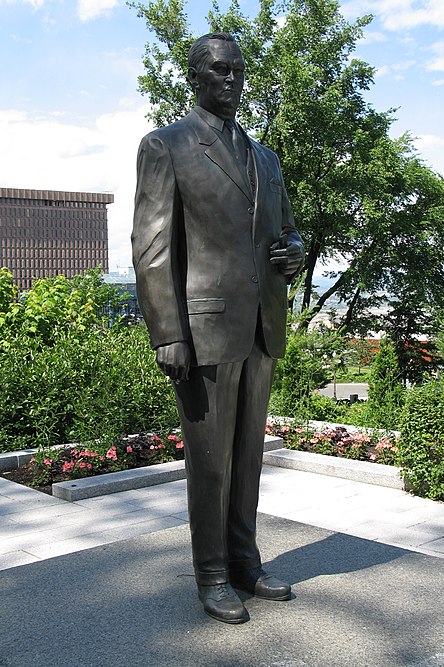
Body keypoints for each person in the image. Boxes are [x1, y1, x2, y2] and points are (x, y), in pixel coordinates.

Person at [132, 32, 304, 624]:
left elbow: (285, 231)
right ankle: (210, 575)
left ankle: (244, 560)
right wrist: (168, 332)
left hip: (259, 327)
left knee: (248, 455)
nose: (231, 79)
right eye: (220, 70)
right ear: (196, 77)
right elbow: (152, 248)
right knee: (210, 462)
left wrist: (295, 251)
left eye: (238, 71)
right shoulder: (167, 146)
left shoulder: (266, 159)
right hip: (202, 330)